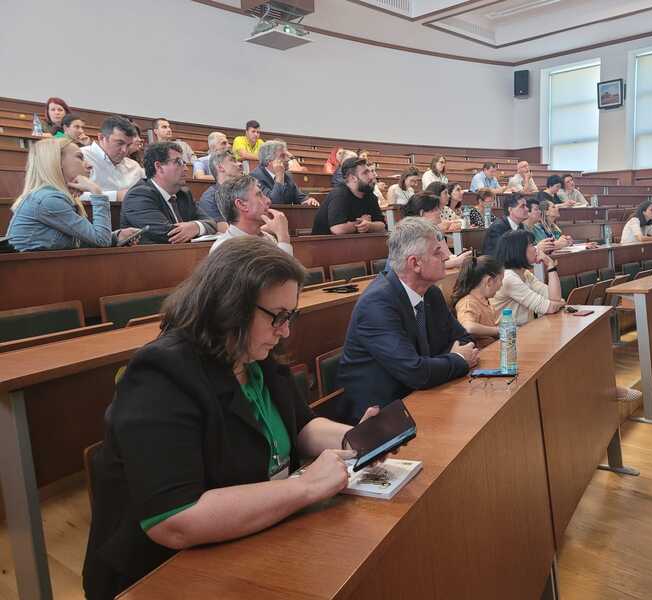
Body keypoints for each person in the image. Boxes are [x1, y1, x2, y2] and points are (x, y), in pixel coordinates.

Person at [82, 237, 379, 599]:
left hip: (252, 541)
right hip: (163, 575)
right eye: (278, 316)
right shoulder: (160, 374)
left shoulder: (255, 355)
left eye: (290, 316)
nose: (285, 330)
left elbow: (301, 425)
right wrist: (306, 487)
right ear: (230, 307)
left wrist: (353, 439)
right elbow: (174, 519)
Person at [337, 217, 479, 423]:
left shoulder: (431, 293)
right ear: (415, 263)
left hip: (423, 395)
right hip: (380, 416)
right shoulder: (377, 304)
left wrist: (446, 360)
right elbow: (415, 371)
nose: (446, 257)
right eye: (437, 252)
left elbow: (464, 339)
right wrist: (457, 359)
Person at [6, 138, 127, 251]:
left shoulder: (50, 196)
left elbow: (85, 240)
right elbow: (102, 241)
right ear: (57, 162)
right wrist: (97, 192)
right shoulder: (48, 199)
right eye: (80, 157)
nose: (89, 165)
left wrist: (117, 236)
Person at [121, 142, 216, 244]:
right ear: (159, 167)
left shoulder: (184, 194)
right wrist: (198, 227)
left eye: (184, 162)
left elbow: (212, 223)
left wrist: (196, 226)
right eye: (179, 162)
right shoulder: (138, 196)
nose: (186, 168)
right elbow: (169, 235)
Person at [491, 230, 564, 323]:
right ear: (518, 250)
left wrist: (550, 265)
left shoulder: (525, 273)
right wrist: (556, 304)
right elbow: (550, 308)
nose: (536, 249)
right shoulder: (508, 278)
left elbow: (556, 299)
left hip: (526, 328)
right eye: (531, 245)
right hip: (509, 331)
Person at [210, 175, 291, 255]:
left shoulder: (267, 238)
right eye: (259, 195)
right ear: (242, 205)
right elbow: (281, 265)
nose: (268, 201)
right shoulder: (225, 249)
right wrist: (283, 237)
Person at [311, 157, 386, 235]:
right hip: (326, 242)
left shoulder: (369, 195)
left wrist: (369, 226)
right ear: (353, 178)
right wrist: (360, 224)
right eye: (365, 173)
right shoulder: (339, 194)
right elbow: (337, 229)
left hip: (356, 241)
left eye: (370, 172)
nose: (371, 176)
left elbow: (382, 225)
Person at [80, 115, 143, 203]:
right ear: (101, 137)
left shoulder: (134, 166)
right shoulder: (80, 157)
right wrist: (115, 196)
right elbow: (70, 195)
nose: (124, 150)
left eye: (128, 145)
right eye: (119, 143)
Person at [403, 193, 471, 268]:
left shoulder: (436, 231)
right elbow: (425, 266)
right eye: (435, 209)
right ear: (421, 213)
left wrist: (461, 257)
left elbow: (447, 256)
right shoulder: (411, 233)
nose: (439, 212)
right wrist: (457, 261)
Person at [452, 255, 504, 349]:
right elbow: (468, 327)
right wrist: (497, 331)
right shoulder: (468, 303)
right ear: (489, 281)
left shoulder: (484, 301)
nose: (502, 285)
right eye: (501, 280)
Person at [251, 139, 319, 207]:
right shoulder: (255, 178)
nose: (287, 159)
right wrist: (279, 177)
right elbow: (274, 203)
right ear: (269, 161)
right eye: (282, 156)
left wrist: (308, 200)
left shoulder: (287, 175)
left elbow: (300, 197)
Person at [197, 149, 243, 231]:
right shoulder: (210, 197)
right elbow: (224, 230)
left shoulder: (243, 192)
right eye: (233, 160)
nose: (240, 164)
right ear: (220, 167)